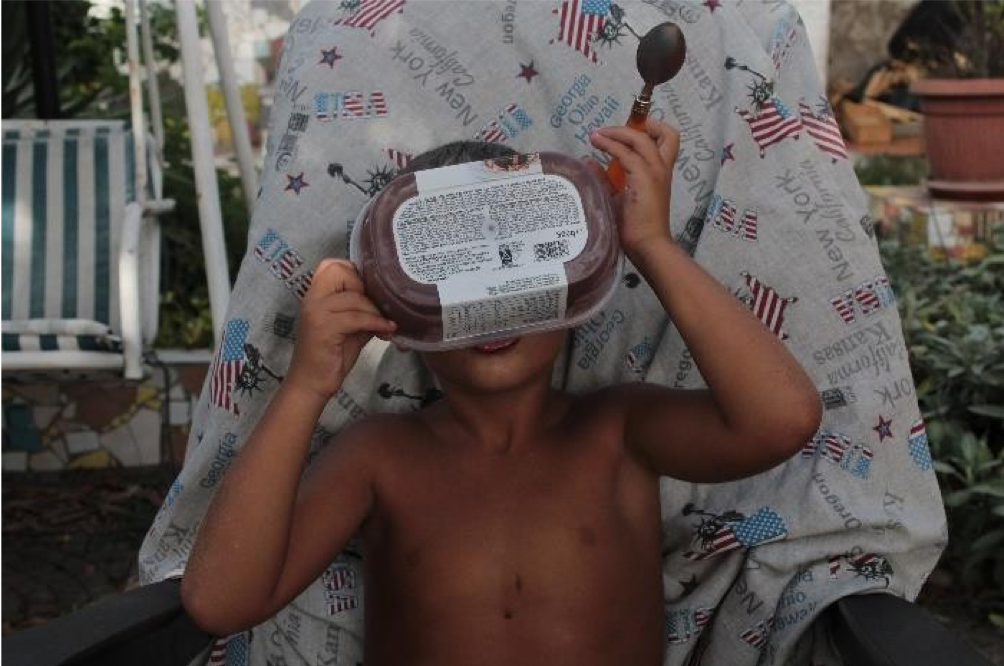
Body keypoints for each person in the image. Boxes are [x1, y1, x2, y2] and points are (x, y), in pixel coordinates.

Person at [180, 120, 822, 665]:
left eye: (516, 264)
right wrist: (305, 387)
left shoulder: (618, 432)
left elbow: (782, 420)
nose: (492, 310)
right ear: (395, 314)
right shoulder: (379, 458)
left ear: (578, 284)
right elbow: (221, 602)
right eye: (447, 272)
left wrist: (648, 243)